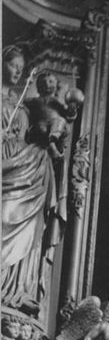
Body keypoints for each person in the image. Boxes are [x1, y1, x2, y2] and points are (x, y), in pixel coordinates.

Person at [2, 47, 67, 315]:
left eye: (21, 67)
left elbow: (38, 129)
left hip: (28, 164)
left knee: (31, 227)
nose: (18, 71)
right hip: (6, 166)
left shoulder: (22, 104)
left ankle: (16, 290)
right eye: (13, 65)